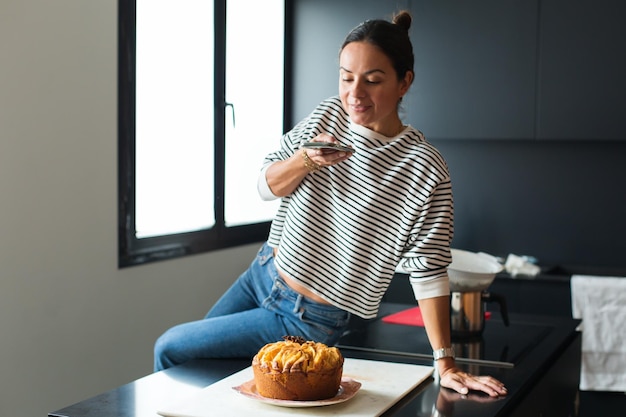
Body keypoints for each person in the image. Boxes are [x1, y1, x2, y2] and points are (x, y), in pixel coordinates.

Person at [154, 10, 507, 398]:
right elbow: (265, 186)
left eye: (373, 81)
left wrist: (446, 363)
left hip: (307, 317)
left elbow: (429, 272)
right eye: (346, 77)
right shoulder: (328, 115)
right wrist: (305, 160)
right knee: (201, 374)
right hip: (263, 273)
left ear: (405, 81)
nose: (355, 94)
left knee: (171, 348)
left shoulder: (422, 167)